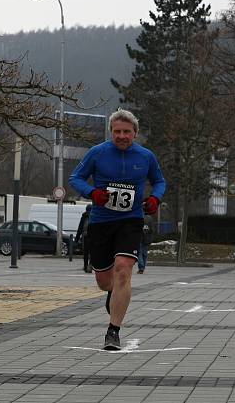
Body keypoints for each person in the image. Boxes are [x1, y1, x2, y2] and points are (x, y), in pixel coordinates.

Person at [69, 108, 165, 351]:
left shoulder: (145, 156)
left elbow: (159, 181)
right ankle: (113, 294)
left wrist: (155, 198)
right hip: (101, 222)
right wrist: (93, 193)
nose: (122, 136)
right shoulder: (97, 153)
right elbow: (75, 178)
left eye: (127, 132)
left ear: (135, 133)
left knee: (123, 270)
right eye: (117, 132)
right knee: (104, 281)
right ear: (111, 132)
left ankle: (113, 332)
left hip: (130, 221)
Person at [75, 204, 92, 273]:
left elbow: (80, 228)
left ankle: (85, 266)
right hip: (93, 237)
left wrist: (76, 239)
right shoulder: (94, 216)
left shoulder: (83, 216)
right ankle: (90, 265)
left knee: (85, 252)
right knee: (93, 252)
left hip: (85, 237)